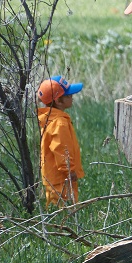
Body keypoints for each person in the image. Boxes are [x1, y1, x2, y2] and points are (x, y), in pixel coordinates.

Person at [37, 76, 85, 208]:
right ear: (58, 101)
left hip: (53, 177)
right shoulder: (59, 123)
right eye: (68, 95)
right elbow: (60, 148)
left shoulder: (48, 119)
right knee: (64, 213)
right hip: (62, 179)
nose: (72, 97)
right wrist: (69, 170)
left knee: (55, 211)